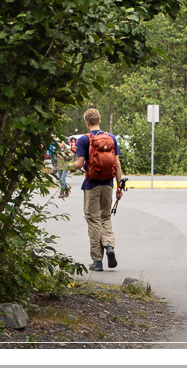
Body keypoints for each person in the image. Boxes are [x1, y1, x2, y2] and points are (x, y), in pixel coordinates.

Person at [72, 108, 123, 272]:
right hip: (108, 184)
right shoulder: (111, 138)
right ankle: (109, 246)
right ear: (99, 120)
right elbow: (117, 164)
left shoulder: (84, 140)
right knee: (105, 217)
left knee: (93, 220)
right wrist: (119, 186)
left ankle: (97, 261)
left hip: (92, 185)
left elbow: (79, 164)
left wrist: (65, 167)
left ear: (87, 122)